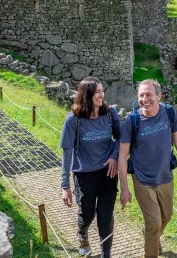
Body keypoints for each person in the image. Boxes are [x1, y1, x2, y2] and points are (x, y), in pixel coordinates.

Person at [119, 80, 177, 258]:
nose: (144, 99)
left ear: (159, 96)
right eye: (141, 95)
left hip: (165, 177)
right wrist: (124, 188)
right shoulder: (132, 120)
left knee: (166, 217)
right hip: (142, 179)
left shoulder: (168, 113)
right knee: (153, 223)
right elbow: (123, 155)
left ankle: (151, 237)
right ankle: (151, 246)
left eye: (148, 95)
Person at [60, 77, 121, 258]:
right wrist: (65, 186)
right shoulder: (73, 120)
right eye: (97, 91)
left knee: (106, 217)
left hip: (108, 173)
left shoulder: (110, 114)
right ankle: (83, 234)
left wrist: (114, 156)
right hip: (84, 174)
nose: (101, 95)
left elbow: (121, 139)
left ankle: (106, 254)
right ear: (86, 94)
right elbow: (67, 152)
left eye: (102, 91)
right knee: (87, 214)